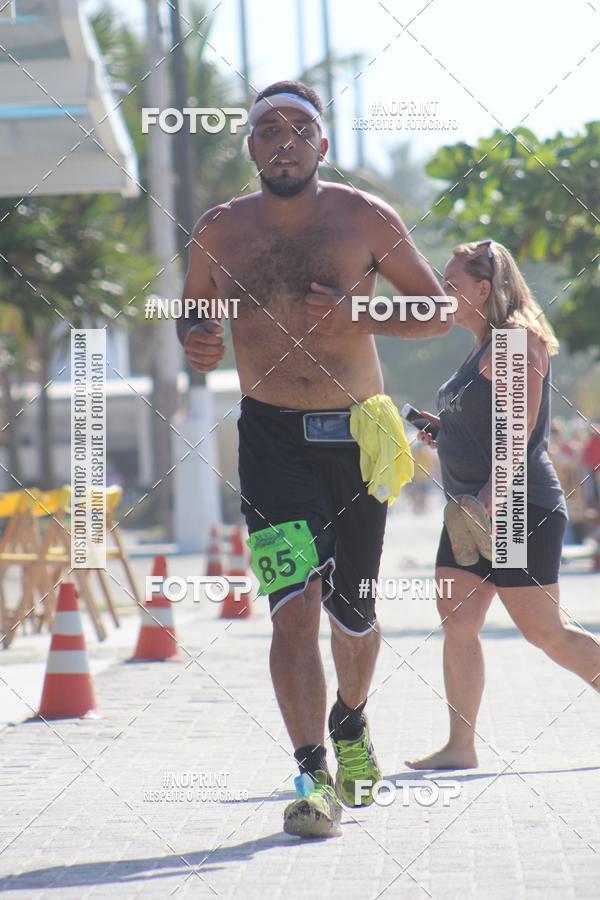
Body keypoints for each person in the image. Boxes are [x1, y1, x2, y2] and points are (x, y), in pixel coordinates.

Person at [177, 80, 452, 835]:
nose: (284, 140)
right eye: (269, 130)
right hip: (270, 443)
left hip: (357, 437)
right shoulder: (219, 232)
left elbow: (437, 311)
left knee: (353, 613)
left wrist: (362, 311)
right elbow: (196, 313)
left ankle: (353, 722)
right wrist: (195, 340)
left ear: (322, 146)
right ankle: (311, 774)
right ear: (252, 148)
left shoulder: (363, 217)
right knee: (292, 610)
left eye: (301, 129)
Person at [406, 240, 600, 771]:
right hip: (472, 508)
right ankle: (460, 746)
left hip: (514, 505)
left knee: (545, 633)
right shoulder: (481, 347)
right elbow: (486, 425)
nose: (444, 294)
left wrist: (495, 494)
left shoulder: (514, 340)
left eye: (452, 284)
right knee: (457, 618)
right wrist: (441, 432)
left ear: (484, 288)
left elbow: (517, 432)